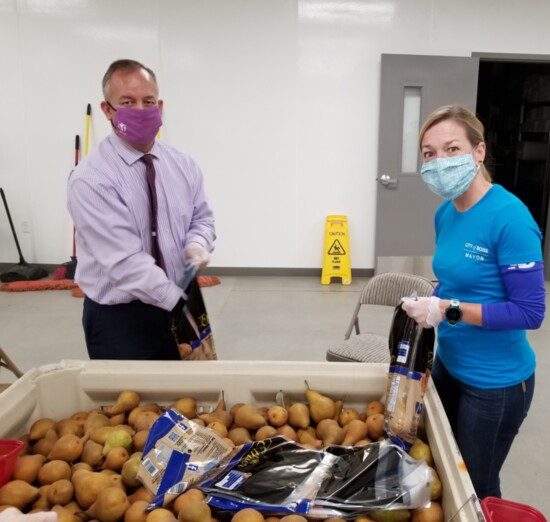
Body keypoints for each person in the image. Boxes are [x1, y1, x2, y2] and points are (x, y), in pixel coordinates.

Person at [401, 105, 546, 499]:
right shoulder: (445, 213)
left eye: (451, 149)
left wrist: (447, 310)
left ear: (478, 152)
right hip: (450, 366)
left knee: (474, 488)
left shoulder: (509, 217)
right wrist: (430, 301)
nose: (439, 162)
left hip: (495, 385)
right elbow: (454, 281)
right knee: (445, 469)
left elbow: (530, 312)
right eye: (429, 154)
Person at [68, 59, 215, 360]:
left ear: (159, 107)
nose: (140, 110)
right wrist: (177, 302)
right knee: (133, 404)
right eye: (127, 102)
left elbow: (202, 217)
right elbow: (124, 262)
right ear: (107, 109)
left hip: (178, 299)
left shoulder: (183, 165)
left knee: (188, 400)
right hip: (121, 319)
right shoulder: (91, 180)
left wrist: (197, 244)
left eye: (148, 101)